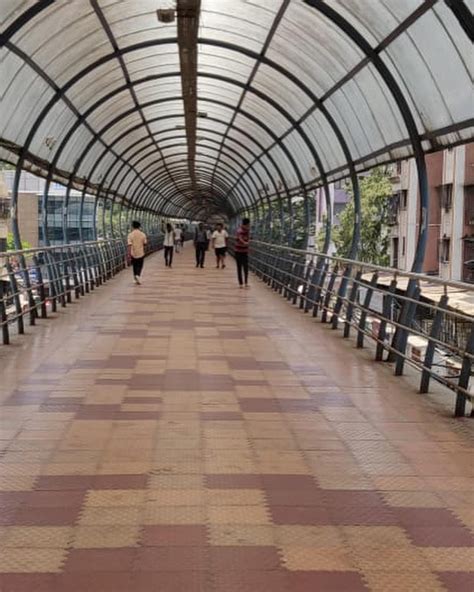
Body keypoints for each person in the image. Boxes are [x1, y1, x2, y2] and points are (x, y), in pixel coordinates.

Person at [234, 217, 250, 288]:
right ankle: (240, 283)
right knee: (239, 267)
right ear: (245, 224)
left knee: (246, 267)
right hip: (238, 251)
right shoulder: (239, 230)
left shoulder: (247, 231)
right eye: (248, 225)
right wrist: (244, 242)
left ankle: (246, 282)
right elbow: (240, 238)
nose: (248, 226)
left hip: (245, 251)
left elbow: (249, 238)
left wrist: (248, 242)